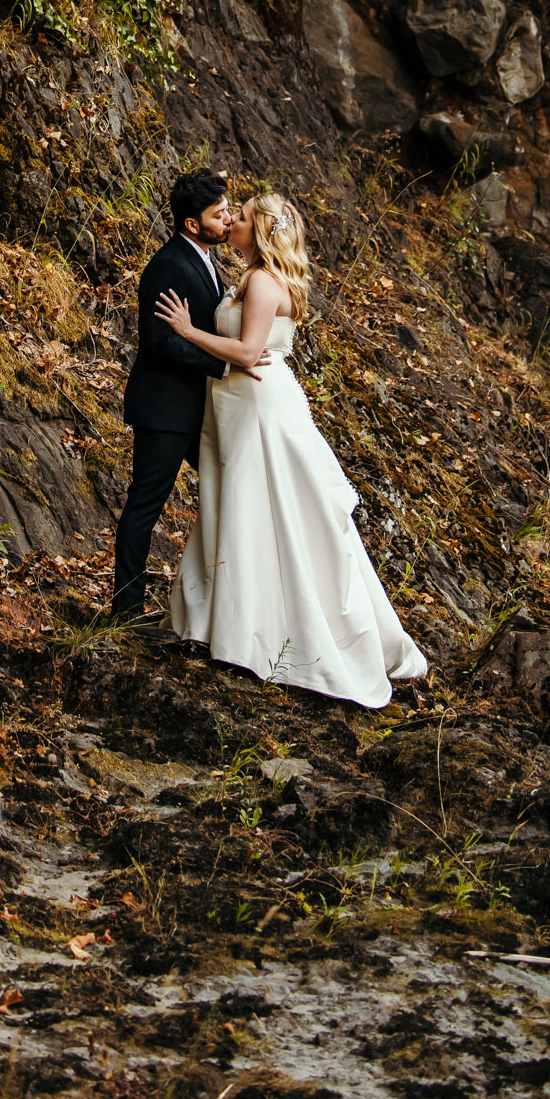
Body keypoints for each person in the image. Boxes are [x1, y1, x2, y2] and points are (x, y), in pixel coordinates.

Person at [155, 191, 427, 704]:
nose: (231, 221)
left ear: (258, 231)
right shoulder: (254, 275)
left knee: (262, 507)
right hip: (237, 402)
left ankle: (253, 630)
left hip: (257, 402)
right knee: (244, 506)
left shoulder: (260, 280)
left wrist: (189, 332)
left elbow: (247, 351)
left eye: (242, 218)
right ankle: (231, 621)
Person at [110, 169, 265, 625]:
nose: (229, 220)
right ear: (193, 224)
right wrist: (224, 365)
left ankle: (231, 603)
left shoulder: (203, 259)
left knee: (234, 490)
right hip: (164, 409)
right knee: (145, 505)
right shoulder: (167, 265)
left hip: (201, 410)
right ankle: (126, 612)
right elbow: (159, 341)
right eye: (219, 216)